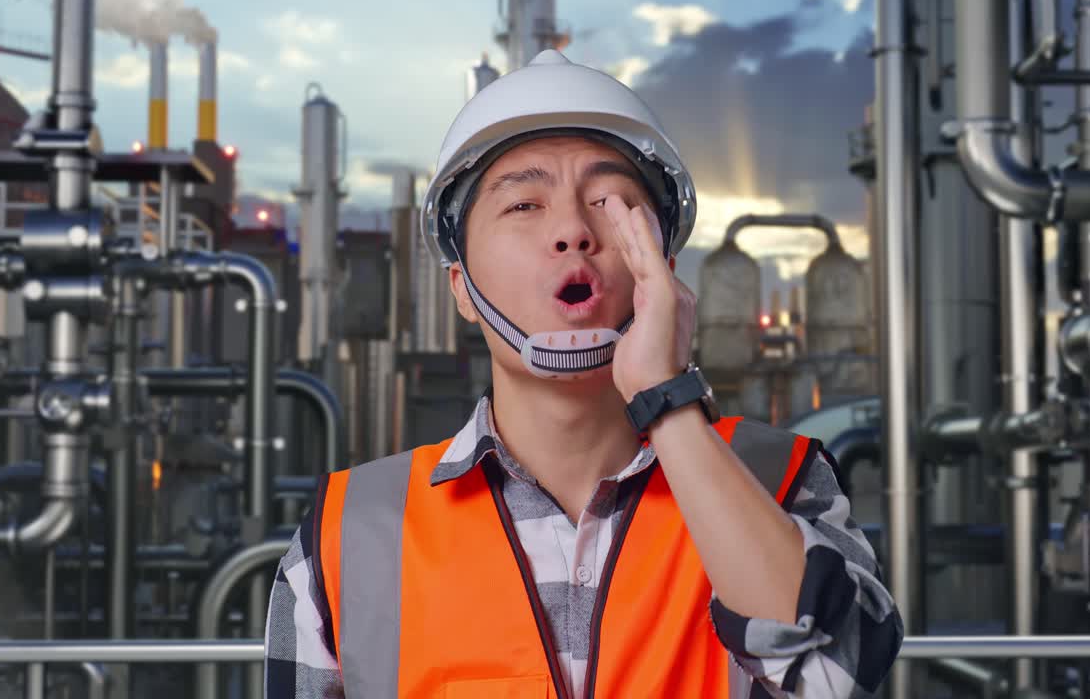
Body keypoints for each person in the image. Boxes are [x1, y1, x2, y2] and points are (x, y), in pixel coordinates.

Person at [264, 49, 902, 698]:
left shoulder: (780, 481)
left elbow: (839, 678)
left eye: (609, 201)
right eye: (523, 206)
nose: (571, 230)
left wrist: (670, 403)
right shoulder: (349, 532)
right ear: (460, 286)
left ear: (664, 265)